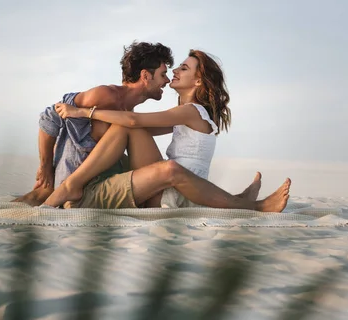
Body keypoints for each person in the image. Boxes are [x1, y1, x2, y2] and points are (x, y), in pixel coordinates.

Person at [45, 50, 291, 212]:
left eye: (183, 68)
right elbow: (133, 126)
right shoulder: (184, 114)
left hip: (177, 192)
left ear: (197, 82)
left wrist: (84, 113)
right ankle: (241, 198)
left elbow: (133, 120)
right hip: (169, 186)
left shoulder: (191, 111)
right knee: (128, 129)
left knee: (165, 163)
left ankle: (255, 207)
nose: (174, 72)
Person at [14, 41, 174, 206]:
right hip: (77, 184)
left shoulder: (128, 112)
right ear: (146, 76)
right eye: (163, 74)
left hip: (100, 182)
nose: (167, 80)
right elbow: (50, 116)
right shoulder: (106, 95)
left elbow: (147, 127)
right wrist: (46, 168)